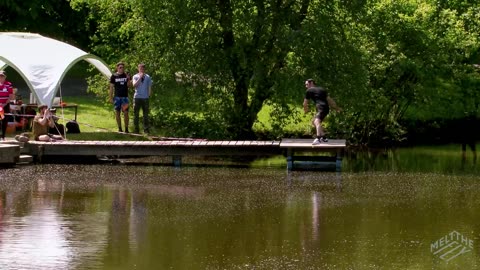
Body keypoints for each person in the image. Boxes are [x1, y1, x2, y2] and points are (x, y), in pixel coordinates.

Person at [303, 78, 341, 145]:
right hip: (326, 108)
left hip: (321, 108)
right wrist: (336, 108)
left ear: (311, 83)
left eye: (307, 84)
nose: (306, 86)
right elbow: (330, 100)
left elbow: (305, 103)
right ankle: (324, 137)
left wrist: (306, 110)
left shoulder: (309, 90)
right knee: (313, 122)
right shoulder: (322, 89)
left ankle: (318, 138)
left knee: (316, 121)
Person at [109, 62, 131, 133]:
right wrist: (110, 97)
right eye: (120, 67)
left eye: (123, 67)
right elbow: (111, 87)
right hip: (117, 98)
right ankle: (120, 128)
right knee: (117, 113)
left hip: (125, 97)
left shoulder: (126, 75)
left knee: (126, 113)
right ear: (117, 68)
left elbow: (129, 86)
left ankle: (126, 129)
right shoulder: (114, 76)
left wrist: (128, 79)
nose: (122, 69)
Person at [132, 63, 153, 134]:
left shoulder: (148, 77)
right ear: (138, 69)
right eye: (140, 68)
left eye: (143, 68)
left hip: (145, 98)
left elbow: (149, 86)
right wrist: (140, 78)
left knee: (146, 115)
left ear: (144, 69)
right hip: (137, 97)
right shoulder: (135, 76)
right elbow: (134, 85)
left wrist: (149, 95)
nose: (141, 69)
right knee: (136, 114)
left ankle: (146, 130)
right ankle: (136, 129)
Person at [0, 71, 14, 140]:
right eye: (0, 76)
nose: (1, 77)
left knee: (4, 120)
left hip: (5, 105)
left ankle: (3, 136)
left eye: (2, 76)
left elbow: (11, 96)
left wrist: (4, 104)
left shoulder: (9, 84)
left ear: (5, 77)